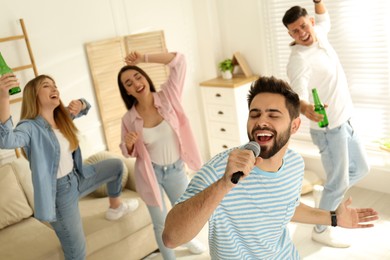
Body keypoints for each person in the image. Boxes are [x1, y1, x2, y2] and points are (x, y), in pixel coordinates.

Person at [162, 76, 379, 260]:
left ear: (294, 126)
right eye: (255, 114)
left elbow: (285, 207)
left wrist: (333, 218)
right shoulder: (221, 169)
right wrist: (224, 184)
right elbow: (171, 237)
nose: (261, 121)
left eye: (273, 115)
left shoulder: (294, 164)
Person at [0, 73, 139, 260]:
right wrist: (3, 97)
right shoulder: (30, 127)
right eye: (47, 86)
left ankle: (115, 208)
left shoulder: (62, 117)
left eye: (55, 84)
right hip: (60, 194)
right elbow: (6, 139)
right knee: (77, 252)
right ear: (34, 95)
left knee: (116, 166)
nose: (54, 88)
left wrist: (81, 104)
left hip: (78, 178)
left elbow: (85, 107)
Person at [282, 0, 370, 248]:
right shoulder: (298, 59)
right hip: (329, 130)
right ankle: (320, 228)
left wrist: (318, 2)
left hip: (345, 120)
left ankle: (329, 193)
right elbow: (296, 94)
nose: (301, 33)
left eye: (302, 26)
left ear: (308, 21)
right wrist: (306, 108)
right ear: (290, 34)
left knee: (361, 169)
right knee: (338, 182)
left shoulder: (317, 33)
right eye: (295, 31)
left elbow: (324, 20)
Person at [117, 51, 206, 259]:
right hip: (150, 174)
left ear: (146, 78)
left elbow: (180, 61)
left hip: (175, 169)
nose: (136, 83)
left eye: (138, 76)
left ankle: (189, 239)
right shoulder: (129, 118)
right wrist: (128, 145)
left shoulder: (168, 96)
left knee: (184, 215)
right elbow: (126, 150)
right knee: (160, 223)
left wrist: (144, 58)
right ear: (127, 92)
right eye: (128, 83)